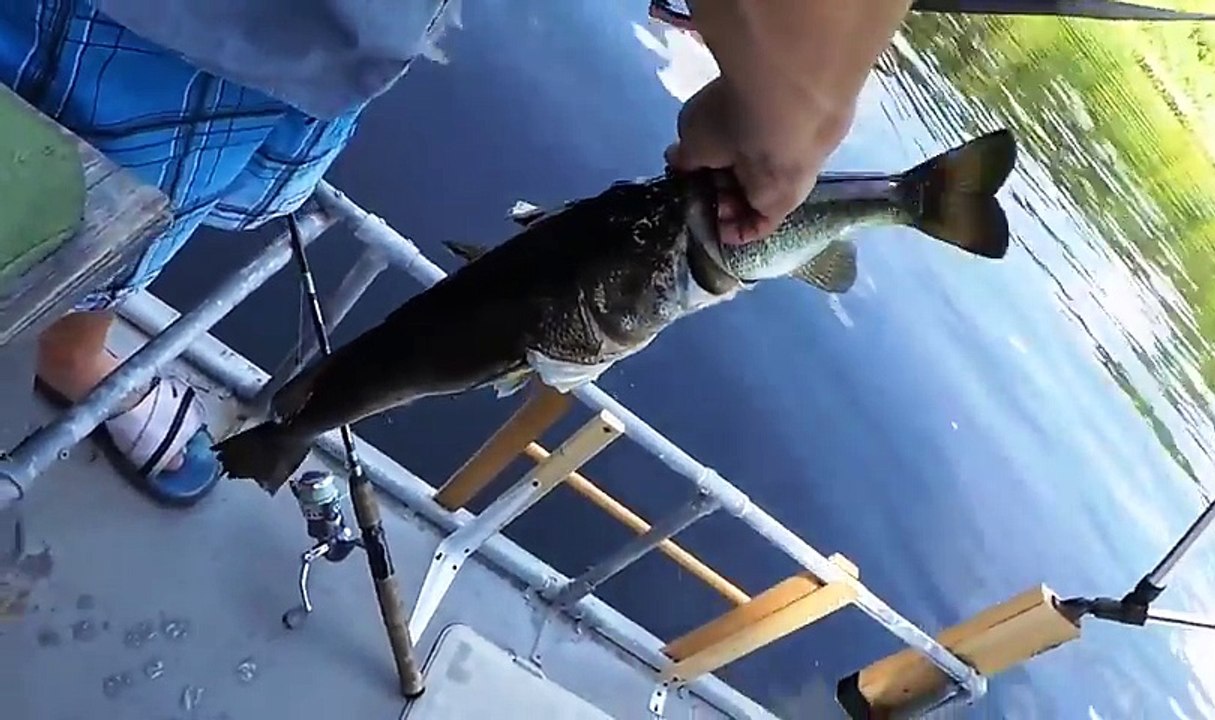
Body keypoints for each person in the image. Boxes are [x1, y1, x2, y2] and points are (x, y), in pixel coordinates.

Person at [0, 0, 910, 506]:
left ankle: (75, 355)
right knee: (50, 185)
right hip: (156, 16)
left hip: (340, 42)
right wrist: (792, 107)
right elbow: (799, 80)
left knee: (163, 209)